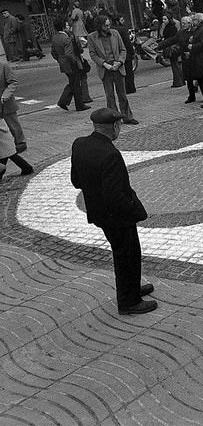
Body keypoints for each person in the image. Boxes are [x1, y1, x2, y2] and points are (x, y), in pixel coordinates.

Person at [70, 107, 156, 315]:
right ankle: (128, 301)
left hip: (98, 213)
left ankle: (132, 289)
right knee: (127, 255)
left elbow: (76, 181)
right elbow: (115, 195)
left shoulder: (79, 144)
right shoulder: (111, 154)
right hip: (116, 217)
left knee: (127, 253)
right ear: (115, 127)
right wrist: (134, 209)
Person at [87, 16, 138, 125]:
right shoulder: (92, 37)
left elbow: (123, 49)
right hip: (105, 69)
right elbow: (93, 54)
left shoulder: (115, 33)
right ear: (99, 26)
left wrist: (119, 62)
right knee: (110, 96)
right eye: (105, 25)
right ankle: (114, 118)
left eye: (109, 24)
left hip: (117, 67)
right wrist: (104, 64)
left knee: (122, 95)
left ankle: (127, 116)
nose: (108, 27)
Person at [52, 16, 89, 112]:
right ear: (64, 27)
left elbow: (53, 52)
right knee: (76, 84)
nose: (68, 26)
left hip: (63, 64)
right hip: (71, 64)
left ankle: (64, 101)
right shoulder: (67, 38)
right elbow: (69, 54)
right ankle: (78, 104)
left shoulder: (55, 38)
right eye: (67, 25)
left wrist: (60, 59)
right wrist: (74, 62)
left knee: (72, 82)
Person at [0, 58, 28, 157]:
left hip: (5, 103)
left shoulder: (3, 66)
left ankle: (20, 144)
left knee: (13, 126)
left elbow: (13, 82)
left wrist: (5, 95)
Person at [112, 15, 138, 93]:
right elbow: (127, 42)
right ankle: (130, 88)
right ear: (117, 21)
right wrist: (132, 52)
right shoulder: (122, 30)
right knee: (128, 72)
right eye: (121, 20)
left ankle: (122, 89)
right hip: (125, 53)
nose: (123, 21)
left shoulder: (111, 30)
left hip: (115, 54)